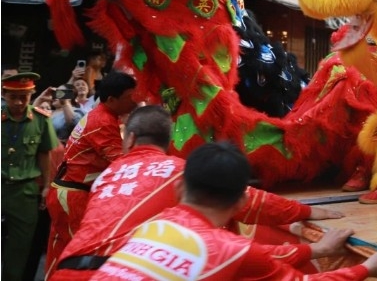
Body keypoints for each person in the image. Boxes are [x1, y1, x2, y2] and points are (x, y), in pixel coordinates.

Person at [52, 105, 352, 280]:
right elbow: (256, 216)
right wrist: (310, 211)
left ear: (129, 139)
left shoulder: (107, 175)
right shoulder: (176, 174)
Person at [91, 141, 377, 280]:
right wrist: (366, 269)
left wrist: (315, 250)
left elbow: (260, 259)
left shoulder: (151, 226)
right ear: (241, 203)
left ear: (179, 189)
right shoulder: (228, 247)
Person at [45, 70, 139, 277]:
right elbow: (123, 164)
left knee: (59, 252)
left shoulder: (101, 115)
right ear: (112, 99)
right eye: (130, 97)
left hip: (67, 192)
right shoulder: (103, 122)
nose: (135, 101)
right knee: (77, 257)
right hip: (73, 196)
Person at [1, 72, 59, 281]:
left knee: (19, 248)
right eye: (13, 97)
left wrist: (45, 186)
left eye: (24, 97)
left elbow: (44, 154)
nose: (18, 102)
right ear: (4, 94)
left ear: (31, 94)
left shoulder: (41, 120)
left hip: (24, 192)